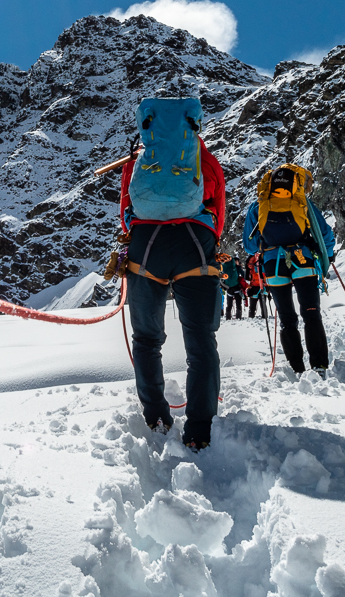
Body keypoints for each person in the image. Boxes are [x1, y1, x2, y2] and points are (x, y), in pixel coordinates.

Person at [119, 96, 227, 451]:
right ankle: (198, 429)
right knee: (201, 341)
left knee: (147, 339)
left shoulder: (138, 160)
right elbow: (219, 206)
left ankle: (157, 418)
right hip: (194, 244)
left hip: (146, 246)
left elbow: (126, 209)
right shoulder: (202, 158)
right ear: (192, 125)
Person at [241, 164, 335, 375]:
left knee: (286, 318)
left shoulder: (259, 205)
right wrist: (328, 254)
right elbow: (324, 233)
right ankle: (319, 365)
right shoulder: (302, 202)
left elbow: (249, 245)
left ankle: (297, 368)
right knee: (311, 313)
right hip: (303, 260)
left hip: (273, 265)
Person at [220, 252, 245, 319]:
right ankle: (238, 316)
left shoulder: (225, 267)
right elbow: (244, 275)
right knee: (238, 303)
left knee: (229, 304)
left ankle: (228, 316)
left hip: (228, 287)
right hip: (236, 286)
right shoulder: (237, 267)